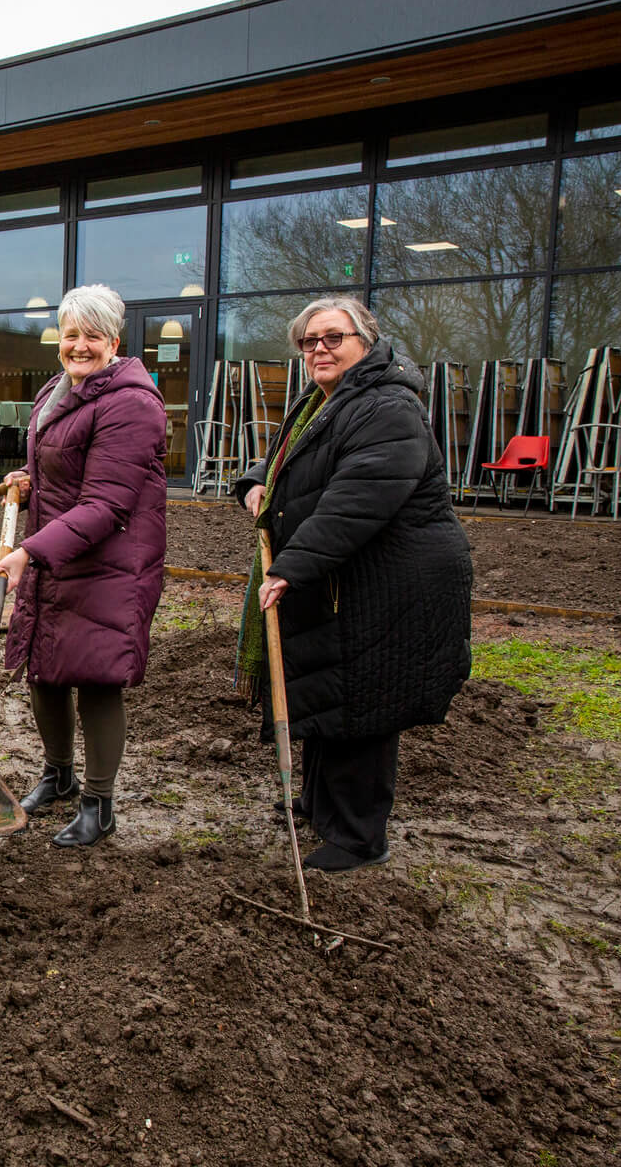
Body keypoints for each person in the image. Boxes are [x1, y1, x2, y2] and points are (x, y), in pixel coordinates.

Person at [235, 296, 471, 873]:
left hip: (387, 585)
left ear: (366, 342)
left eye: (333, 338)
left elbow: (360, 497)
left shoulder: (388, 407)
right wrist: (253, 483)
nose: (319, 349)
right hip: (343, 579)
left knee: (365, 704)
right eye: (309, 341)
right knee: (328, 693)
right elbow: (286, 463)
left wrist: (293, 565)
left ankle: (360, 838)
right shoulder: (321, 402)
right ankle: (319, 806)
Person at [0, 284, 167, 848]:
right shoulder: (58, 392)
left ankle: (99, 801)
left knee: (95, 679)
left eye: (93, 335)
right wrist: (27, 478)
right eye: (71, 335)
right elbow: (65, 468)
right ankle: (58, 776)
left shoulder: (132, 403)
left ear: (114, 341)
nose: (80, 345)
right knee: (44, 670)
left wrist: (29, 550)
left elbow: (106, 503)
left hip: (109, 562)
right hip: (58, 555)